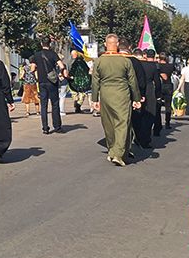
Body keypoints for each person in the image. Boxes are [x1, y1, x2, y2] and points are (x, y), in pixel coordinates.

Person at [91, 34, 142, 166]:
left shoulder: (99, 61)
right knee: (122, 123)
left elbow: (95, 81)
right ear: (118, 44)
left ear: (105, 43)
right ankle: (118, 153)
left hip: (106, 94)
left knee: (108, 124)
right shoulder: (125, 61)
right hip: (122, 95)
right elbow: (133, 81)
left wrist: (95, 99)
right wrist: (136, 98)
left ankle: (112, 150)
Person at [31, 40, 63, 133]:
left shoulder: (36, 55)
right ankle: (57, 127)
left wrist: (38, 70)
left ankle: (45, 128)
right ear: (50, 44)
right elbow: (61, 65)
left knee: (44, 105)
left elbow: (32, 68)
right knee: (55, 104)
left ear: (41, 44)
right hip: (52, 82)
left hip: (42, 82)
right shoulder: (53, 54)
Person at [131, 49, 160, 150]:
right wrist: (158, 95)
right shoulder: (152, 66)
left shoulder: (132, 64)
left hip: (136, 89)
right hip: (149, 90)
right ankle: (145, 139)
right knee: (149, 115)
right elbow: (157, 82)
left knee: (137, 115)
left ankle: (137, 136)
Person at [67, 50, 91, 114]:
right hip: (82, 81)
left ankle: (77, 106)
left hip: (75, 80)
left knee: (77, 94)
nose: (72, 56)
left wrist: (69, 76)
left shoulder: (75, 62)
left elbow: (72, 70)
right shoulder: (82, 62)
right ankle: (77, 106)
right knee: (81, 94)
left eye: (73, 54)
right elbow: (87, 70)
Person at [156, 54, 176, 131]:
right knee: (168, 105)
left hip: (160, 86)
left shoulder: (157, 66)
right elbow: (175, 71)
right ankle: (167, 123)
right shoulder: (171, 66)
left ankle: (158, 123)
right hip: (168, 85)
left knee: (158, 105)